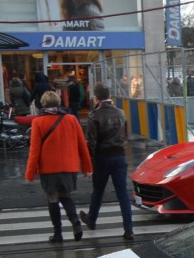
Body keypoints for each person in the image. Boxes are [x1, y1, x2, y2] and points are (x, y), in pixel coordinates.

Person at [25, 90, 92, 244]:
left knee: (53, 198)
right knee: (66, 196)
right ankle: (75, 220)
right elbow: (82, 145)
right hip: (69, 166)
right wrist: (87, 168)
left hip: (49, 169)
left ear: (42, 104)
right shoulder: (72, 119)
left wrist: (30, 173)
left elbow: (34, 150)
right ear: (59, 102)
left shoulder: (38, 122)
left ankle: (58, 233)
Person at [79, 83, 134, 241]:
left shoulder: (94, 115)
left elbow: (92, 142)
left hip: (102, 157)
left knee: (98, 190)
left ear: (96, 98)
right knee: (122, 193)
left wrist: (90, 161)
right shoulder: (121, 113)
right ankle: (128, 229)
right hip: (119, 156)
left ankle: (92, 219)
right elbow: (125, 136)